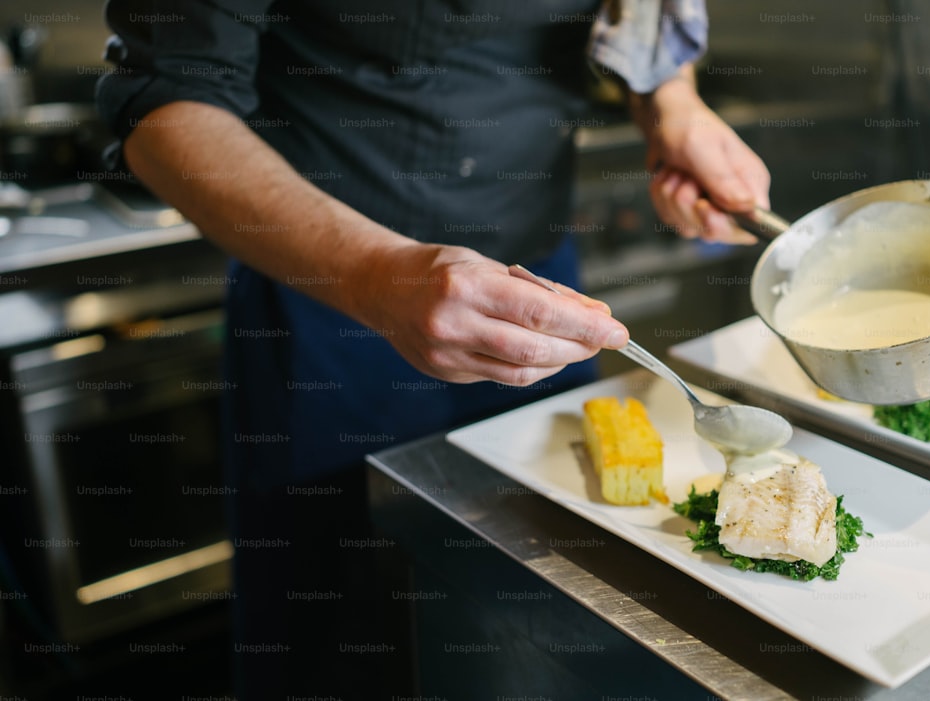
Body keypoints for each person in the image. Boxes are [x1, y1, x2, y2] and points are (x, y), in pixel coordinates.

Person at [96, 0, 769, 697]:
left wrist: (672, 103)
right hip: (330, 306)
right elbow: (166, 99)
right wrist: (377, 277)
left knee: (549, 617)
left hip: (537, 283)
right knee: (342, 638)